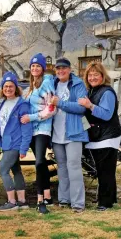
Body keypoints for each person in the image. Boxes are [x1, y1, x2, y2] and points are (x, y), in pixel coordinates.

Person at [78, 62, 121, 211]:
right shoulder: (91, 91)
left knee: (105, 172)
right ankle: (110, 199)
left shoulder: (107, 92)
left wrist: (90, 106)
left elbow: (107, 114)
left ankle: (105, 203)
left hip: (107, 137)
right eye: (90, 75)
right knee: (104, 171)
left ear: (102, 76)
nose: (92, 77)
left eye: (96, 74)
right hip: (98, 137)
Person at [51, 57, 88, 213]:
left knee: (74, 167)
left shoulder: (78, 84)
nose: (61, 71)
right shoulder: (52, 84)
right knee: (62, 168)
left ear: (69, 69)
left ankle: (78, 203)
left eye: (64, 68)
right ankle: (64, 199)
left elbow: (81, 107)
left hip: (74, 132)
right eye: (58, 68)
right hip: (57, 133)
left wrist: (60, 103)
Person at [21, 53, 56, 214]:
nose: (35, 68)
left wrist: (31, 117)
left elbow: (51, 109)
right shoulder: (31, 86)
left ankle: (40, 198)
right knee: (40, 162)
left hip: (42, 128)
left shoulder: (47, 82)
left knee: (39, 162)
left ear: (42, 68)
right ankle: (48, 195)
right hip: (31, 130)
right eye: (32, 66)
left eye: (38, 66)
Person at [0, 72, 32, 211]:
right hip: (6, 143)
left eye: (11, 86)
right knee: (16, 170)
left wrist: (23, 148)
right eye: (6, 86)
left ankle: (12, 202)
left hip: (15, 144)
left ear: (16, 87)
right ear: (2, 88)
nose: (8, 89)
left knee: (2, 170)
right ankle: (22, 201)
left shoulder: (22, 104)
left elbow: (26, 128)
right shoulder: (3, 103)